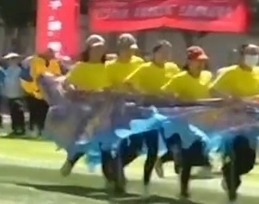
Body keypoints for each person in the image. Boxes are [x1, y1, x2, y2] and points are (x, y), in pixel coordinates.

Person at [205, 43, 259, 204]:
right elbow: (213, 89)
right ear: (241, 55)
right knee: (237, 154)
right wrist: (231, 99)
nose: (253, 56)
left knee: (248, 162)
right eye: (250, 53)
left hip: (252, 122)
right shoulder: (231, 72)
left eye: (256, 53)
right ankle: (232, 196)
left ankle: (228, 174)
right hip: (233, 122)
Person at [120, 40, 180, 194]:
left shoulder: (173, 68)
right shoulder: (145, 68)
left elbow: (178, 84)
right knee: (148, 148)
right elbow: (128, 82)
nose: (166, 55)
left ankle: (161, 167)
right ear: (154, 53)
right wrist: (142, 94)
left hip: (167, 114)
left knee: (175, 144)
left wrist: (173, 95)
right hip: (148, 114)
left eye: (168, 52)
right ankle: (142, 182)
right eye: (162, 52)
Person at [158, 46, 216, 200]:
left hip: (203, 121)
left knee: (197, 154)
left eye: (203, 61)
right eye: (197, 61)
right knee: (187, 158)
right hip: (183, 124)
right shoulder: (180, 78)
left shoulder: (207, 76)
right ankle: (184, 190)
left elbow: (213, 92)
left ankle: (166, 160)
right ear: (189, 62)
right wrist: (181, 101)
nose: (201, 64)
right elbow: (165, 93)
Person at [57, 35, 111, 179]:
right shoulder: (81, 67)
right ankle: (71, 160)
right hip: (87, 110)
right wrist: (77, 92)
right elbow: (66, 83)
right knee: (87, 139)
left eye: (101, 48)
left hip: (105, 109)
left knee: (106, 144)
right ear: (89, 50)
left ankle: (111, 178)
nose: (99, 51)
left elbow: (111, 87)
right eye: (96, 48)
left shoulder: (108, 67)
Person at [22, 47, 62, 135]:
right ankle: (34, 130)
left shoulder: (54, 63)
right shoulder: (33, 61)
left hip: (49, 93)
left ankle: (44, 131)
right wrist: (35, 89)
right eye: (50, 52)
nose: (52, 55)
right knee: (35, 112)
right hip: (34, 92)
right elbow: (29, 77)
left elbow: (57, 76)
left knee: (47, 113)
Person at [0, 53, 26, 135]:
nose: (10, 61)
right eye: (9, 60)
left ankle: (21, 128)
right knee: (12, 112)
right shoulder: (7, 70)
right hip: (9, 94)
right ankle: (14, 128)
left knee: (19, 112)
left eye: (12, 59)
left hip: (18, 94)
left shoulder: (20, 70)